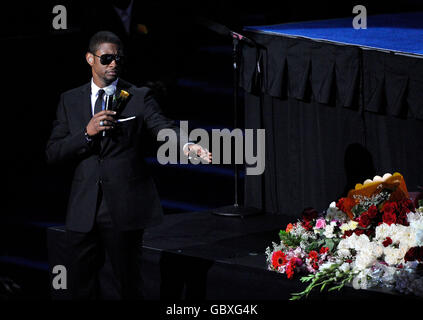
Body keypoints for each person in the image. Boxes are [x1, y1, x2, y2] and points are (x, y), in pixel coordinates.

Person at [45, 31, 210, 299]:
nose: (113, 64)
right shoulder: (70, 99)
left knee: (128, 286)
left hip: (123, 208)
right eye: (106, 58)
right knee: (78, 287)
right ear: (90, 59)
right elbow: (53, 152)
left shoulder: (137, 96)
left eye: (118, 59)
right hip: (83, 208)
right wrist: (87, 133)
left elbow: (162, 127)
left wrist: (186, 145)